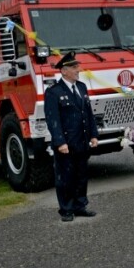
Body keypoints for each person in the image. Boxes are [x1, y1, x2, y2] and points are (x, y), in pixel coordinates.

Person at [44, 52, 99, 221]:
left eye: (78, 67)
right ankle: (66, 209)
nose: (78, 70)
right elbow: (53, 119)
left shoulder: (81, 87)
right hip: (66, 143)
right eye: (74, 68)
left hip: (81, 140)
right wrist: (60, 141)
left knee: (81, 175)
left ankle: (80, 205)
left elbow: (88, 113)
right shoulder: (53, 92)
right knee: (65, 177)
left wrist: (93, 135)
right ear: (64, 71)